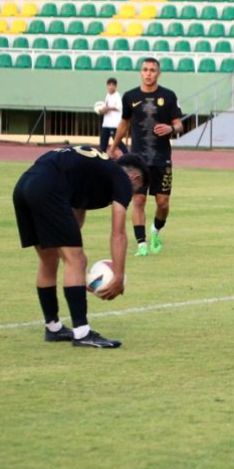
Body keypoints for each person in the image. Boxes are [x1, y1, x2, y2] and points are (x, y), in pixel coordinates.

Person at [12, 146, 149, 348]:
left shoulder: (97, 170)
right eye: (138, 190)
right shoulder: (122, 179)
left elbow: (77, 211)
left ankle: (53, 328)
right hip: (47, 187)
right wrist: (118, 276)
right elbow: (118, 233)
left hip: (24, 186)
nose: (133, 194)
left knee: (49, 258)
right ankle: (82, 333)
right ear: (135, 178)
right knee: (77, 259)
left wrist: (74, 280)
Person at [108, 57, 183, 257]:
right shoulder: (130, 96)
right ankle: (141, 244)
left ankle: (156, 231)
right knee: (138, 200)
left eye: (152, 70)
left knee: (163, 203)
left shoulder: (168, 96)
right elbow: (124, 123)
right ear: (140, 72)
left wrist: (170, 128)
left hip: (161, 158)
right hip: (137, 160)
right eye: (145, 69)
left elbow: (179, 124)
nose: (148, 73)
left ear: (158, 73)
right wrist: (113, 146)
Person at [97, 78, 126, 154]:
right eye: (109, 85)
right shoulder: (107, 95)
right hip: (106, 124)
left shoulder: (117, 96)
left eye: (112, 85)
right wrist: (102, 110)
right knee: (103, 143)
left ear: (115, 87)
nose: (110, 87)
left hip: (114, 124)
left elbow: (119, 107)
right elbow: (106, 108)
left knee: (118, 141)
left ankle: (127, 155)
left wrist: (108, 108)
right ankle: (102, 159)